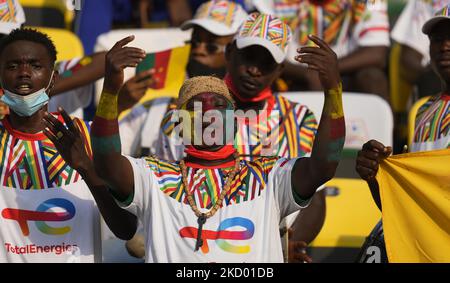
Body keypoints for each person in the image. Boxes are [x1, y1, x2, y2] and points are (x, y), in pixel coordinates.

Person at [90, 30, 345, 262]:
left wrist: (333, 90)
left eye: (220, 106)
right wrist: (111, 91)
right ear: (180, 124)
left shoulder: (268, 177)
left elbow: (323, 165)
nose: (208, 113)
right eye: (196, 107)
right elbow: (106, 161)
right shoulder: (155, 177)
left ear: (235, 123)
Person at [0, 28, 136, 262]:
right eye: (13, 66)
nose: (24, 73)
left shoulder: (88, 136)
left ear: (53, 78)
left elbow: (126, 229)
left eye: (35, 65)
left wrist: (86, 167)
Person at [355, 5, 450, 262]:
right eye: (438, 39)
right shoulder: (422, 111)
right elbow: (408, 208)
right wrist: (377, 177)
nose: (444, 46)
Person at [119, 0, 248, 157]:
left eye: (212, 46)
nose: (198, 50)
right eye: (195, 42)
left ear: (236, 53)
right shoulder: (155, 106)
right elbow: (108, 159)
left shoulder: (256, 116)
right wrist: (117, 104)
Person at [251, 0, 390, 100]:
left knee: (372, 78)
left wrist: (326, 69)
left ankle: (381, 137)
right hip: (287, 73)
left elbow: (377, 53)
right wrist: (306, 74)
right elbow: (260, 48)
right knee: (256, 71)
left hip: (345, 74)